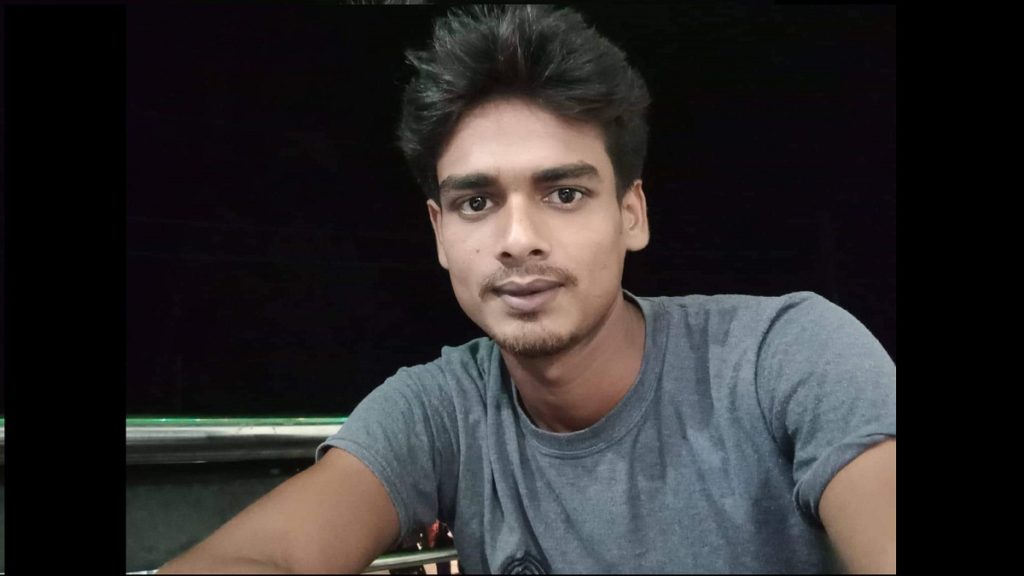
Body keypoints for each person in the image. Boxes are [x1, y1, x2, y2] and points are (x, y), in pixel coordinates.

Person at [158, 5, 895, 574]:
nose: (517, 239)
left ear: (630, 214)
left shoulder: (785, 356)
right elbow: (261, 557)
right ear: (440, 232)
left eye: (564, 194)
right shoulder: (441, 410)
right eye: (477, 202)